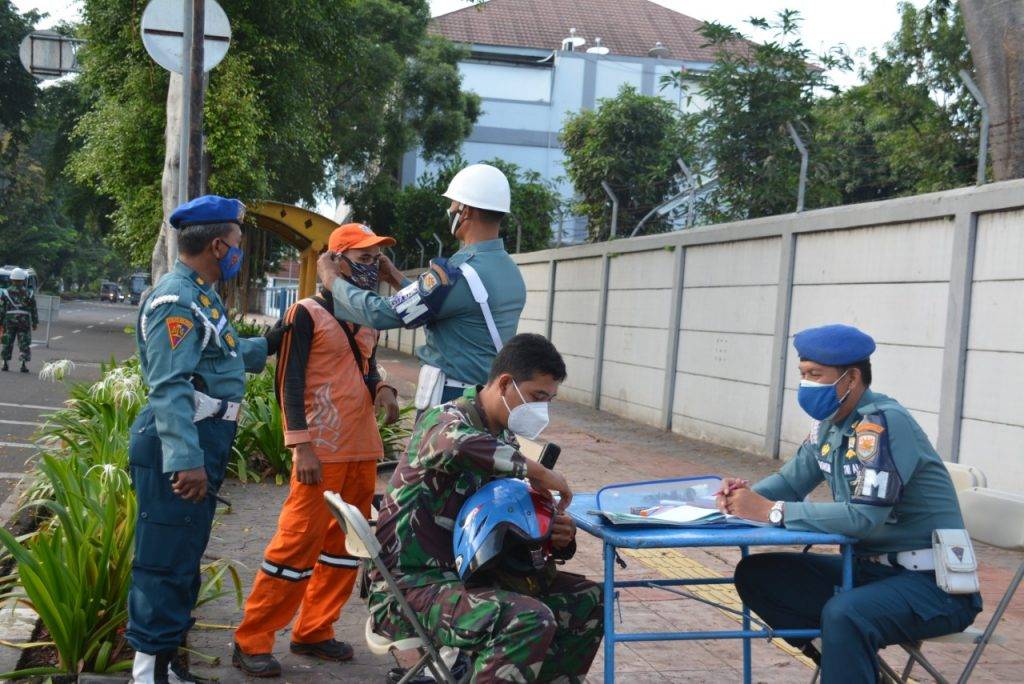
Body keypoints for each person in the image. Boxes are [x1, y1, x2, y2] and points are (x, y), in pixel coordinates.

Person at [717, 323, 982, 683]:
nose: (807, 384)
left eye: (816, 375)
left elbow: (863, 519)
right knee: (759, 575)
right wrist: (739, 500)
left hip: (933, 587)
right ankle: (855, 668)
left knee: (845, 614)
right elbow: (790, 482)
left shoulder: (883, 425)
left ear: (851, 378)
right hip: (870, 573)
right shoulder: (829, 425)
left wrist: (771, 511)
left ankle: (851, 666)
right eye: (803, 374)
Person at [369, 333, 603, 683]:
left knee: (589, 600)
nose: (542, 409)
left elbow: (510, 525)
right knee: (527, 619)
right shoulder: (443, 421)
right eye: (538, 396)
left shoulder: (504, 440)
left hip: (474, 578)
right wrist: (535, 469)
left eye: (549, 400)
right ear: (506, 383)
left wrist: (557, 534)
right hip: (411, 590)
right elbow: (455, 446)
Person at [127, 195, 288, 683]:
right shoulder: (176, 300)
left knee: (182, 559)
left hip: (201, 441)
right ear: (219, 245)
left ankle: (166, 666)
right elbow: (170, 384)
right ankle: (148, 675)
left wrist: (275, 340)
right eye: (238, 242)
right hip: (179, 445)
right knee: (162, 563)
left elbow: (220, 356)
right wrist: (185, 460)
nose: (241, 250)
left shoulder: (201, 293)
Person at [232, 224, 402, 676]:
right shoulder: (304, 313)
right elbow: (287, 378)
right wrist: (300, 445)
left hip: (362, 450)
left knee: (346, 547)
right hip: (320, 452)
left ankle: (314, 630)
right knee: (294, 545)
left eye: (375, 260)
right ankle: (252, 639)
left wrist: (381, 385)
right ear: (336, 261)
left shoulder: (366, 316)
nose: (371, 268)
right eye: (363, 259)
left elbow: (363, 365)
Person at [316, 163, 526, 410]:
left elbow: (383, 313)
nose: (450, 210)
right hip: (488, 400)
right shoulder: (510, 271)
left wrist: (332, 281)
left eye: (453, 204)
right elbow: (440, 306)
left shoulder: (460, 272)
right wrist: (395, 277)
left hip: (452, 403)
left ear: (466, 211)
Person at [1, 268, 38, 373]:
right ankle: (23, 364)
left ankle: (5, 363)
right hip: (24, 321)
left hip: (9, 321)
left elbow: (2, 309)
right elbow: (33, 309)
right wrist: (35, 323)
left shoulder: (5, 292)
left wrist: (0, 323)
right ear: (23, 280)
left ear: (11, 279)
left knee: (7, 342)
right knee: (24, 342)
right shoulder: (29, 293)